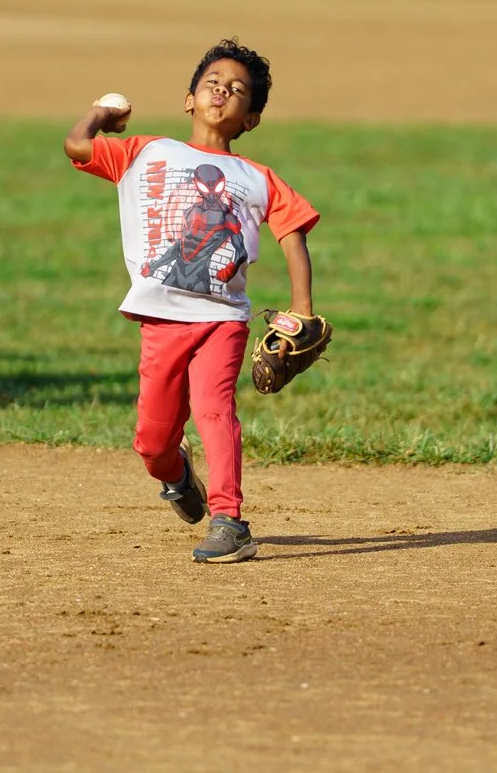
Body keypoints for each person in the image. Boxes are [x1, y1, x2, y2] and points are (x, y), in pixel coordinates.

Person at [64, 38, 321, 563]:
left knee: (214, 409)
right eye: (213, 83)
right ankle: (178, 476)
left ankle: (230, 520)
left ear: (250, 119)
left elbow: (293, 234)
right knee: (152, 444)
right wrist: (99, 115)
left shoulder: (257, 178)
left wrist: (302, 308)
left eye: (237, 90)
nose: (222, 92)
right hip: (161, 319)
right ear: (189, 99)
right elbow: (76, 147)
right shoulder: (148, 151)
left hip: (223, 318)